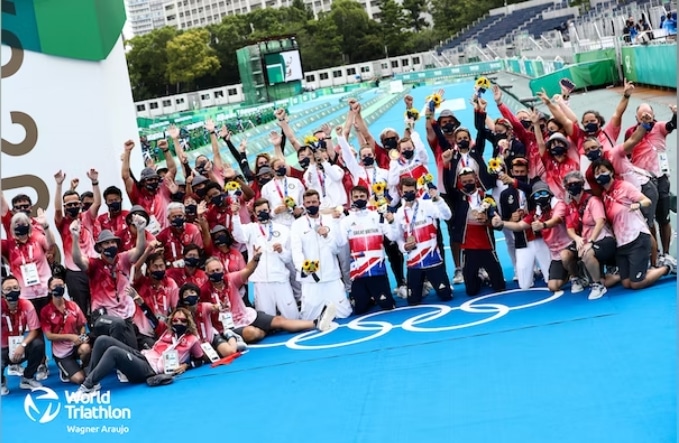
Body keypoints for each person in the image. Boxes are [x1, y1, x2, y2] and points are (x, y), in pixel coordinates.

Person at [73, 308, 205, 397]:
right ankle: (93, 382)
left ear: (188, 322)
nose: (178, 323)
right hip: (143, 356)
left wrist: (186, 366)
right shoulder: (168, 332)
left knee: (113, 351)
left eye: (183, 321)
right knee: (102, 340)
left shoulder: (193, 340)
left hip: (150, 370)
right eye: (175, 320)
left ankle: (86, 386)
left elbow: (201, 359)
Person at [201, 255, 335, 344]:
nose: (216, 273)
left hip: (246, 316)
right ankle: (265, 331)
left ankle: (316, 322)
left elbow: (248, 270)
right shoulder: (203, 290)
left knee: (279, 320)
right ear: (206, 273)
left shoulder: (230, 279)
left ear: (222, 270)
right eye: (212, 271)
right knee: (251, 333)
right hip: (228, 326)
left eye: (218, 269)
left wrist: (256, 259)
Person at [593, 159, 675, 289]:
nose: (600, 175)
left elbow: (647, 201)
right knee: (626, 283)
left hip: (637, 237)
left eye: (603, 171)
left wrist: (638, 204)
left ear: (611, 172)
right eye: (597, 173)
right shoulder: (604, 196)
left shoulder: (624, 186)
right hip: (622, 243)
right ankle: (642, 272)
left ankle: (667, 267)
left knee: (636, 284)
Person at [71, 216, 147, 349]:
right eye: (106, 243)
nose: (111, 245)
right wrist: (75, 238)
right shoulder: (94, 264)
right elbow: (78, 260)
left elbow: (139, 250)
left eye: (113, 242)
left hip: (124, 315)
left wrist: (141, 230)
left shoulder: (123, 259)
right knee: (116, 325)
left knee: (133, 350)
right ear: (100, 247)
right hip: (102, 316)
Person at [388, 177, 453, 305]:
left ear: (416, 190)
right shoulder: (400, 213)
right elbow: (396, 237)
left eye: (411, 191)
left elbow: (447, 216)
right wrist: (404, 247)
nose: (408, 194)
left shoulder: (427, 205)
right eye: (405, 192)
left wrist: (438, 200)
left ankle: (429, 283)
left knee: (446, 296)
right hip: (414, 263)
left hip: (433, 260)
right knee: (413, 301)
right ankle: (422, 285)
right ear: (401, 192)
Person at [290, 190, 352, 320]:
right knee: (308, 318)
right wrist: (303, 267)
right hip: (311, 278)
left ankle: (328, 309)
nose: (311, 205)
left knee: (344, 314)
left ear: (319, 202)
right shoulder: (297, 225)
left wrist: (326, 236)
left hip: (332, 276)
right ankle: (321, 312)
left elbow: (337, 249)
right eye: (308, 202)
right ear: (304, 204)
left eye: (314, 202)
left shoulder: (330, 221)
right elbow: (296, 250)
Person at [231, 199, 299, 319]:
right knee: (267, 320)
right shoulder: (250, 229)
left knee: (292, 316)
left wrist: (281, 251)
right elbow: (238, 235)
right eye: (259, 211)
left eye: (265, 210)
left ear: (269, 210)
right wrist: (235, 215)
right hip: (260, 281)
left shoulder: (283, 229)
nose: (262, 213)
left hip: (280, 279)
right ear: (255, 214)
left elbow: (288, 258)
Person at [338, 186, 397, 314]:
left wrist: (391, 222)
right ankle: (369, 297)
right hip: (358, 273)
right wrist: (336, 221)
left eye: (362, 196)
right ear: (351, 199)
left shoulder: (378, 216)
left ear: (367, 197)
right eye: (356, 197)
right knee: (360, 310)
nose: (359, 199)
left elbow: (392, 237)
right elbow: (340, 243)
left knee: (388, 306)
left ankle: (375, 296)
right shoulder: (346, 221)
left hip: (378, 270)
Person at [562, 171, 619, 300]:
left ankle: (598, 285)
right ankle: (578, 279)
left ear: (582, 184)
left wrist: (591, 242)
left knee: (588, 253)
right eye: (569, 185)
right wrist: (577, 239)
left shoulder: (592, 201)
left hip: (603, 239)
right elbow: (570, 228)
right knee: (565, 255)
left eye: (575, 183)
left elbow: (600, 221)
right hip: (584, 239)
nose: (572, 186)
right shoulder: (570, 206)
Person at [54, 169, 100, 318]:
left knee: (99, 304)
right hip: (74, 273)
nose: (72, 206)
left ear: (80, 204)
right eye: (68, 205)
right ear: (65, 207)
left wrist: (94, 181)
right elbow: (57, 209)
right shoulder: (62, 223)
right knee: (80, 308)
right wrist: (59, 185)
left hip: (92, 268)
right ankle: (85, 338)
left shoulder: (87, 217)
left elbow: (97, 203)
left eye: (75, 203)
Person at [40, 276, 91, 383]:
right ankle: (65, 369)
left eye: (61, 286)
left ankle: (84, 365)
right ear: (49, 289)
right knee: (79, 379)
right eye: (55, 286)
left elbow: (81, 325)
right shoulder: (46, 311)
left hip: (76, 346)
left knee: (86, 348)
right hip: (62, 353)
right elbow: (49, 336)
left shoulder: (73, 305)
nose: (59, 288)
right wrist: (70, 337)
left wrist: (81, 337)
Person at [1, 275, 45, 394]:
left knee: (38, 344)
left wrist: (23, 345)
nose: (12, 291)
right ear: (2, 292)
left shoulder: (26, 304)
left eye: (15, 288)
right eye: (8, 289)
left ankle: (27, 377)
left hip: (20, 346)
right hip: (2, 349)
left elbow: (34, 329)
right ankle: (1, 381)